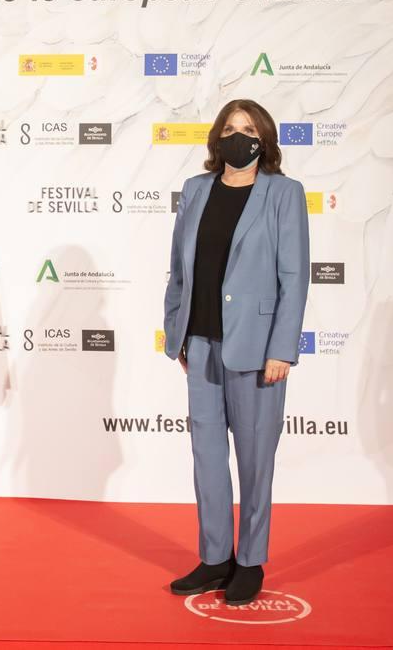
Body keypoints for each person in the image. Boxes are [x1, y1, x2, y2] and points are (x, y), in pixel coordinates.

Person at [162, 98, 309, 605]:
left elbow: (294, 277)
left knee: (254, 463)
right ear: (216, 138)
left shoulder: (283, 194)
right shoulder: (196, 190)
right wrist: (175, 331)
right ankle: (215, 558)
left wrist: (282, 349)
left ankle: (249, 561)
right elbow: (180, 269)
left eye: (248, 129)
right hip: (199, 344)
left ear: (263, 140)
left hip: (258, 350)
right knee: (206, 458)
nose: (237, 136)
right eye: (229, 128)